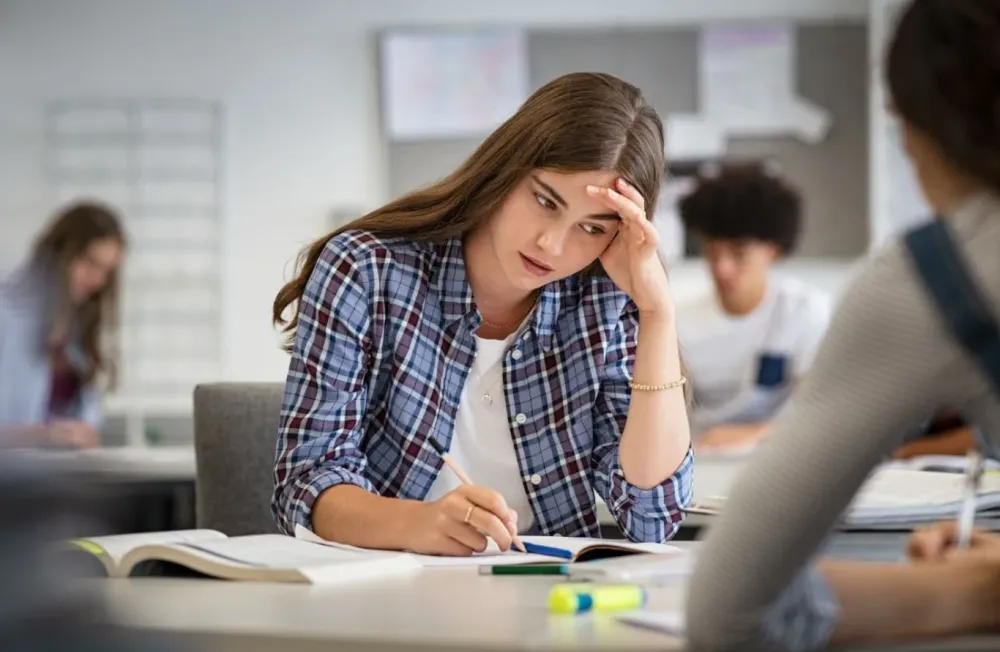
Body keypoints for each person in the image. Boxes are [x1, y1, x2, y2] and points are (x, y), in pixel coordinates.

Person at [271, 72, 693, 556]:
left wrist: (657, 312)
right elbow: (306, 482)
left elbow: (653, 514)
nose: (551, 245)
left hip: (546, 597)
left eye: (592, 228)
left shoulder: (606, 299)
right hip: (386, 586)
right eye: (544, 200)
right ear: (506, 169)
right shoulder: (367, 268)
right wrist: (419, 524)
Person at [686, 1, 1000, 649]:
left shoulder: (936, 279)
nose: (721, 268)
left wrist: (977, 588)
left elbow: (732, 612)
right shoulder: (687, 319)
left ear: (913, 128)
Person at [674, 163, 831, 453]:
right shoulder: (677, 323)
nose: (722, 269)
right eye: (712, 252)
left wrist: (755, 433)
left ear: (773, 250)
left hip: (779, 456)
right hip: (699, 459)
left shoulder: (805, 312)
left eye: (739, 254)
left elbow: (825, 414)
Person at [0, 201, 125, 449]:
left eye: (106, 271)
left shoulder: (78, 332)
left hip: (58, 481)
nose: (97, 280)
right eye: (90, 262)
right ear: (58, 252)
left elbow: (87, 424)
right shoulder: (6, 315)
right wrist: (41, 437)